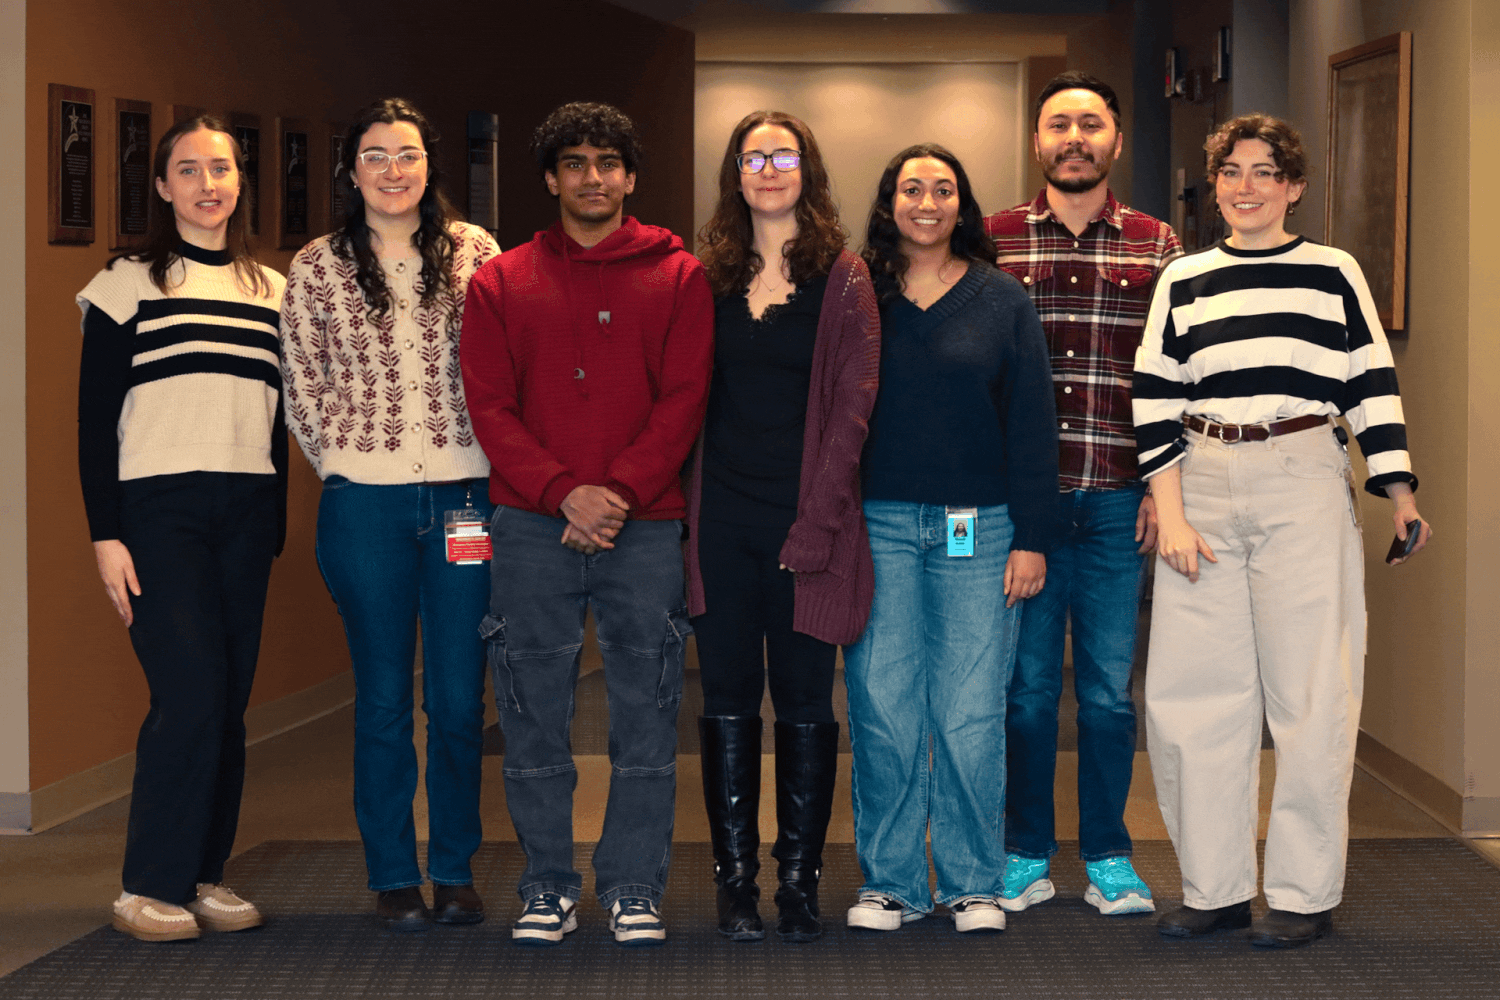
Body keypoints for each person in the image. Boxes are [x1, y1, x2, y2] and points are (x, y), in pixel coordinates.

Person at [1134, 113, 1432, 948]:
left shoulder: (1333, 272)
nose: (1247, 187)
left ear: (1294, 186)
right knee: (1193, 695)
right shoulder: (1183, 278)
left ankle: (1303, 894)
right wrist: (1172, 511)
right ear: (1215, 185)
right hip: (1201, 477)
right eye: (1231, 171)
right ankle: (1215, 888)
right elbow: (1154, 394)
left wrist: (1400, 492)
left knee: (1311, 692)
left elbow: (1371, 381)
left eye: (1265, 172)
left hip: (1302, 476)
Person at [461, 102, 713, 948]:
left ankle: (634, 887)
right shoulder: (501, 282)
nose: (592, 177)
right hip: (531, 527)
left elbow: (685, 399)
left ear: (630, 177)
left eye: (608, 162)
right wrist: (564, 492)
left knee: (647, 716)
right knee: (532, 717)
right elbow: (489, 406)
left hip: (645, 528)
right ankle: (547, 885)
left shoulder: (678, 276)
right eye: (574, 163)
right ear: (551, 178)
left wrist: (618, 493)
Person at [279, 98, 500, 932]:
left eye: (407, 154)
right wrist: (346, 459)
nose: (393, 170)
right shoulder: (317, 266)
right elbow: (301, 383)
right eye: (375, 156)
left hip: (465, 500)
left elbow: (509, 362)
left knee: (458, 699)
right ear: (352, 170)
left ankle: (455, 869)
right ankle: (394, 876)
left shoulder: (477, 252)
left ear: (429, 165)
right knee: (380, 700)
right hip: (363, 507)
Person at [77, 115, 286, 942]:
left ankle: (203, 875)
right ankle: (146, 887)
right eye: (189, 170)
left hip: (246, 510)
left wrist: (272, 520)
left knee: (227, 701)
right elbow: (95, 421)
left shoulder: (271, 290)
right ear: (162, 186)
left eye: (221, 169)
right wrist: (105, 534)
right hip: (156, 514)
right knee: (189, 693)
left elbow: (277, 418)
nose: (208, 184)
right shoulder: (126, 283)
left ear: (240, 181)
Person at [844, 143, 1059, 934]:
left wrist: (1032, 536)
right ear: (889, 202)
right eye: (911, 188)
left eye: (942, 189)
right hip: (878, 525)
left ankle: (973, 881)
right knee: (883, 706)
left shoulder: (1002, 299)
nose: (927, 202)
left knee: (970, 712)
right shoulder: (858, 294)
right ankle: (892, 884)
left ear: (962, 205)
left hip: (980, 526)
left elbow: (1032, 422)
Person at [984, 71, 1182, 917]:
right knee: (1026, 695)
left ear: (1115, 141)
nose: (1075, 138)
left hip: (1115, 502)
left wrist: (1166, 488)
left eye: (1091, 124)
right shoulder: (989, 239)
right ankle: (1024, 852)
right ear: (1036, 140)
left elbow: (1182, 375)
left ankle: (1108, 856)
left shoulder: (1156, 244)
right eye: (1059, 124)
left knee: (1105, 696)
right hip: (1020, 509)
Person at [687, 111, 880, 943]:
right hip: (720, 525)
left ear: (808, 169)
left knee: (805, 701)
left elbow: (854, 410)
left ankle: (798, 885)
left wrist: (818, 522)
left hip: (809, 526)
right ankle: (736, 885)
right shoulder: (704, 278)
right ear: (735, 172)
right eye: (753, 156)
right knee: (727, 699)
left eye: (783, 155)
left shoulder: (845, 279)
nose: (768, 170)